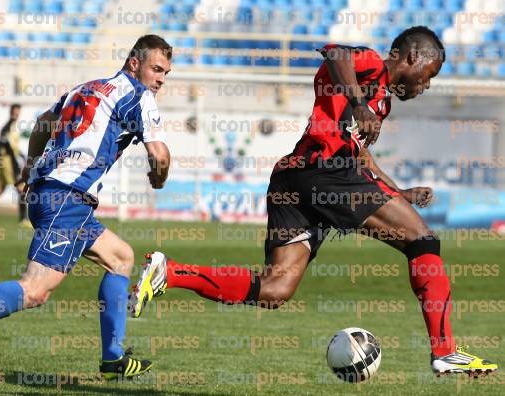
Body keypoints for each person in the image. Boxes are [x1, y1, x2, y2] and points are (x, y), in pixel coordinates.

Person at [129, 27, 497, 376]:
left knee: (275, 289)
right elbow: (335, 52)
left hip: (297, 177)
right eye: (428, 74)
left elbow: (359, 161)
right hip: (324, 173)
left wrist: (399, 194)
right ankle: (445, 350)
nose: (426, 84)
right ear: (412, 56)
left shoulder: (380, 103)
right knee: (423, 241)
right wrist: (358, 103)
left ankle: (170, 272)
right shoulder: (370, 67)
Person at [0, 34, 172, 380]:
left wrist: (28, 168)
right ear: (134, 63)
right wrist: (159, 176)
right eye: (156, 69)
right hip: (68, 197)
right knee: (35, 290)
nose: (161, 79)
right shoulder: (139, 96)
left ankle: (113, 357)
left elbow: (41, 124)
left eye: (166, 73)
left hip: (51, 193)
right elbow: (159, 154)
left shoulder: (86, 88)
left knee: (121, 258)